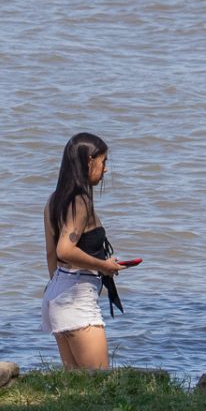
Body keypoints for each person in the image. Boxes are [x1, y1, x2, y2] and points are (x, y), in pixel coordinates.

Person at [41, 132, 129, 369]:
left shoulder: (54, 200)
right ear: (89, 161)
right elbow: (64, 250)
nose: (105, 169)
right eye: (103, 161)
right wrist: (104, 266)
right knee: (99, 381)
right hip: (76, 298)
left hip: (56, 294)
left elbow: (51, 254)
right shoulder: (81, 202)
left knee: (76, 383)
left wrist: (58, 290)